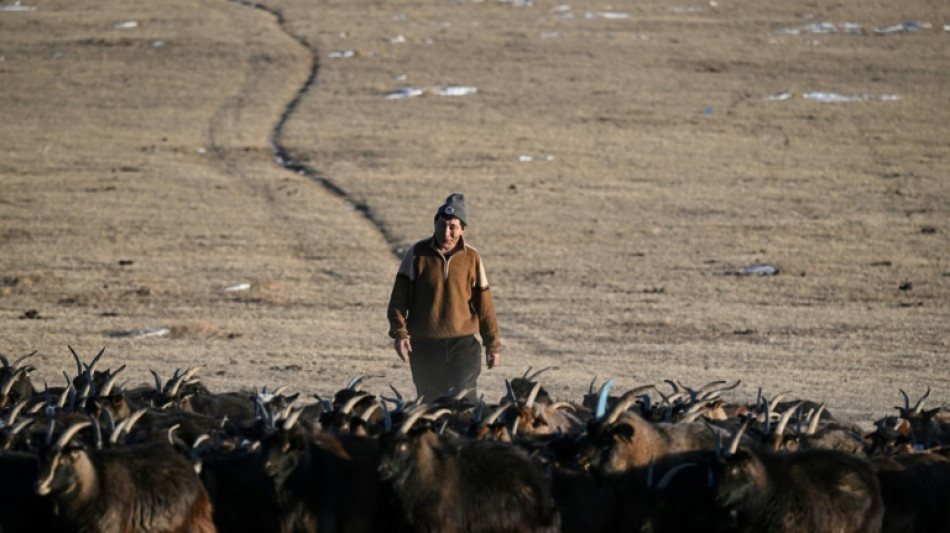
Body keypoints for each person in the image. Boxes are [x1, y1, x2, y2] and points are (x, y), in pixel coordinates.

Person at [386, 193, 502, 402]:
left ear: (462, 229)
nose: (446, 233)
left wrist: (492, 344)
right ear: (434, 224)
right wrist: (400, 334)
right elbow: (398, 302)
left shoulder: (472, 258)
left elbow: (485, 306)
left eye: (452, 227)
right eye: (441, 226)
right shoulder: (417, 254)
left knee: (464, 402)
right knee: (429, 403)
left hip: (463, 346)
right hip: (424, 347)